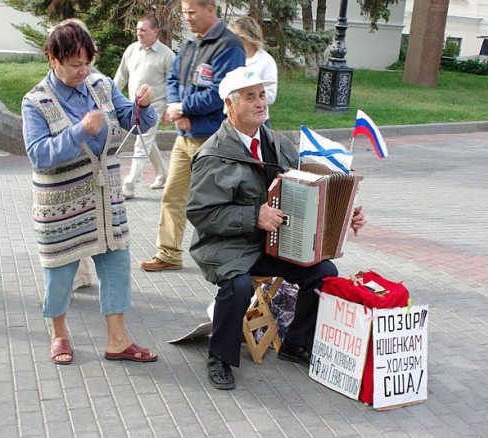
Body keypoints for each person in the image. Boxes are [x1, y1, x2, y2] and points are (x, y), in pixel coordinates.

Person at [186, 67, 366, 390]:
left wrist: (345, 210)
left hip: (274, 243)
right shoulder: (212, 154)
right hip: (228, 246)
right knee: (239, 286)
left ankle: (297, 343)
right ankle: (220, 357)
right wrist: (254, 216)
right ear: (230, 104)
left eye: (262, 95)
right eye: (251, 96)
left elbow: (308, 187)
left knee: (325, 272)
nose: (260, 102)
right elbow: (201, 215)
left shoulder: (278, 143)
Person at [21, 19, 158, 365]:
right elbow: (39, 155)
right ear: (53, 59)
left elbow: (132, 120)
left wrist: (142, 106)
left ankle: (117, 340)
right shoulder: (35, 101)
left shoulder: (101, 84)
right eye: (74, 64)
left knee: (116, 265)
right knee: (60, 274)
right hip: (61, 208)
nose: (83, 71)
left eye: (87, 62)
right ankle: (59, 334)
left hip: (105, 200)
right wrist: (79, 131)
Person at [139, 0, 245, 272]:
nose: (187, 18)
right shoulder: (189, 44)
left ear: (210, 10)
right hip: (184, 137)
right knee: (172, 195)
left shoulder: (228, 46)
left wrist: (184, 108)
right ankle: (168, 253)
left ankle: (225, 260)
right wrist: (177, 109)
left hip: (213, 141)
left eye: (191, 12)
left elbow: (222, 91)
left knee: (212, 204)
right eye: (184, 12)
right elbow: (173, 79)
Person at [114, 14, 174, 199]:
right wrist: (107, 96)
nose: (139, 33)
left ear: (155, 31)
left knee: (141, 144)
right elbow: (121, 77)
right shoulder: (131, 50)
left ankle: (129, 186)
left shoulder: (167, 55)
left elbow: (173, 84)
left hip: (154, 109)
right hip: (134, 108)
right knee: (147, 142)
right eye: (137, 29)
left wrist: (170, 108)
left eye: (143, 30)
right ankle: (163, 174)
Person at [228, 16, 278, 127]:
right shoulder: (232, 58)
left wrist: (248, 98)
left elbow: (270, 95)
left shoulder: (266, 61)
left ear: (245, 39)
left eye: (233, 37)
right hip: (233, 120)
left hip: (257, 121)